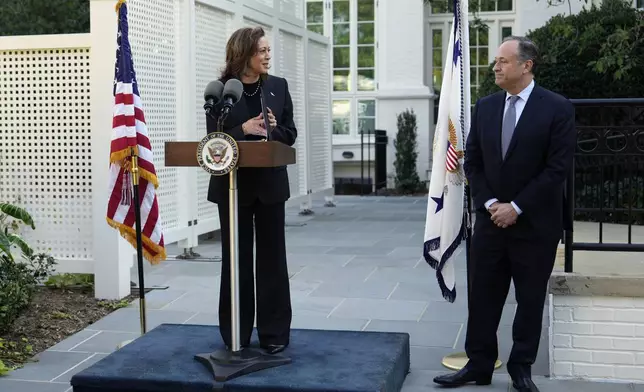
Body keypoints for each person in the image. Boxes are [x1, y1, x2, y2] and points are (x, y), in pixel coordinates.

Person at [433, 36, 576, 391]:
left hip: (535, 225)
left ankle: (520, 369)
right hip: (491, 223)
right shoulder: (486, 106)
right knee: (482, 298)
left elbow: (557, 169)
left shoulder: (557, 108)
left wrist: (517, 206)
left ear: (527, 66)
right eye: (495, 61)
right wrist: (490, 204)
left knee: (529, 301)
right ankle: (478, 366)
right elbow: (474, 162)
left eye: (503, 61)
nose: (495, 66)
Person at [205, 26, 297, 355]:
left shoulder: (278, 87)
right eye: (262, 51)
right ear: (244, 54)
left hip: (271, 184)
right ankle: (236, 332)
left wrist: (274, 127)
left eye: (269, 50)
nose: (268, 56)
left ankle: (274, 333)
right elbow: (212, 136)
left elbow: (291, 133)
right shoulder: (220, 90)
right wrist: (242, 129)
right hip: (233, 188)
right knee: (236, 260)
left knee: (273, 260)